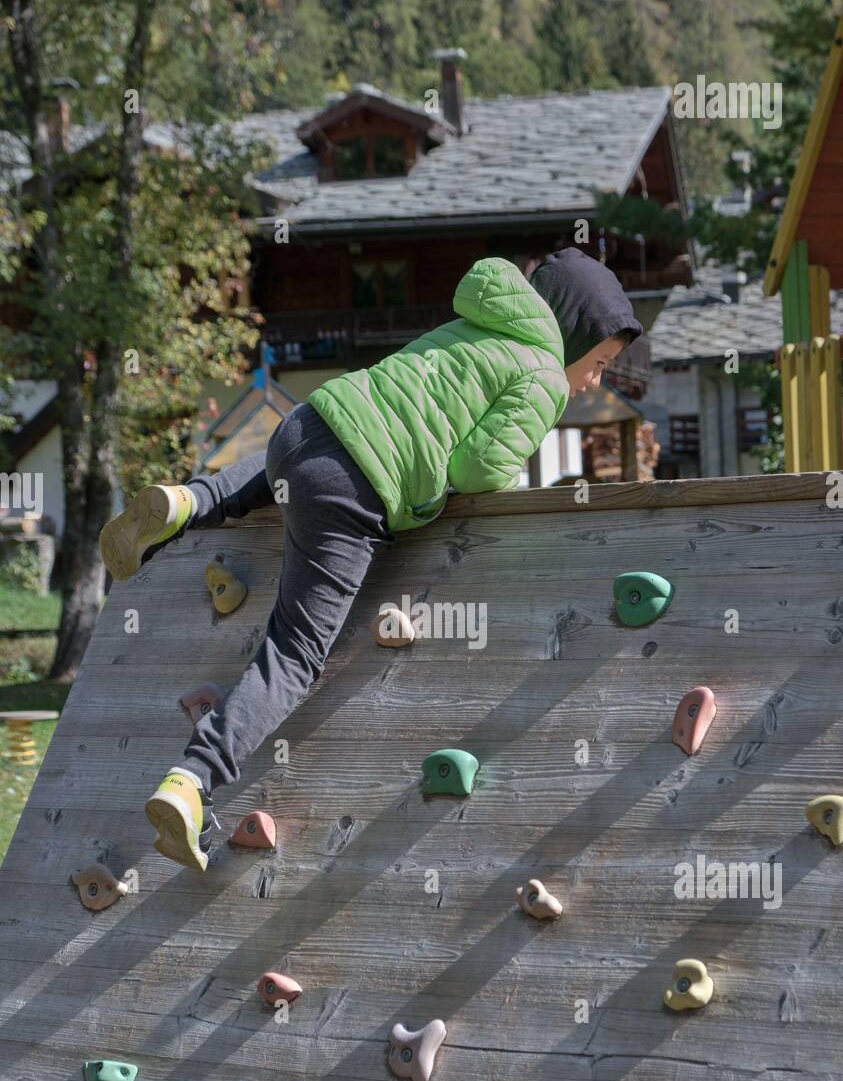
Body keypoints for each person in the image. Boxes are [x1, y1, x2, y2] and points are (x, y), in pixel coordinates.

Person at [99, 247, 642, 870]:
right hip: (353, 490)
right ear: (571, 336)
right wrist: (430, 496)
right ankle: (191, 782)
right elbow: (480, 467)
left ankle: (184, 499)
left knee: (278, 476)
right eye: (598, 364)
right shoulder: (544, 376)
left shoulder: (477, 323)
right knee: (296, 653)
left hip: (306, 425)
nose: (594, 381)